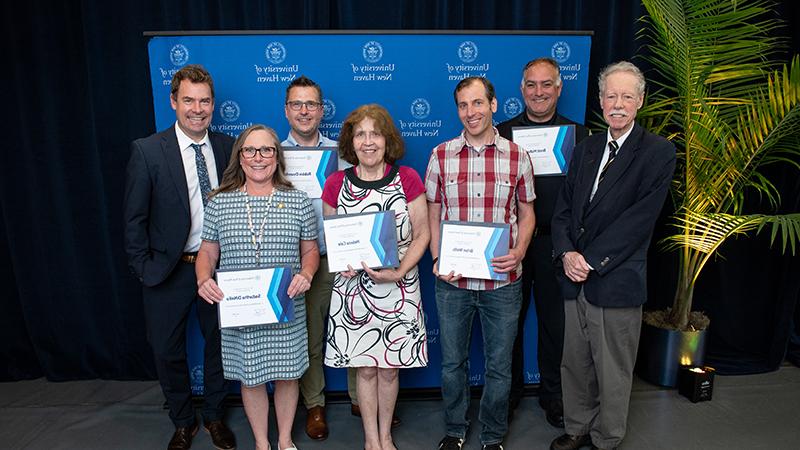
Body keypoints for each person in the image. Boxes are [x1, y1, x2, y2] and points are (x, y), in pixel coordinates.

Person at [549, 61, 675, 450]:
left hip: (615, 279)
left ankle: (607, 437)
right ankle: (577, 428)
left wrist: (590, 260)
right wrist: (567, 252)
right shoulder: (585, 147)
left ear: (639, 101)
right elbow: (564, 208)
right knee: (575, 362)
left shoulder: (657, 152)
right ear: (601, 101)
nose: (617, 104)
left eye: (626, 96)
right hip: (574, 279)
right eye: (610, 96)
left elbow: (639, 221)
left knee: (613, 368)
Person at [123, 64, 236, 450]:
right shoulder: (148, 151)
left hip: (219, 269)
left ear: (213, 104)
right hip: (168, 271)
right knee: (167, 351)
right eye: (188, 100)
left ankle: (216, 417)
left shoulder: (227, 147)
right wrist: (143, 268)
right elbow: (134, 219)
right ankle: (183, 420)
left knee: (220, 345)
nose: (197, 109)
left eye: (204, 101)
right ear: (174, 102)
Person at [425, 77, 536, 450]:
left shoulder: (518, 155)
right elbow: (433, 209)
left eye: (476, 103)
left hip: (503, 282)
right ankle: (455, 430)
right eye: (462, 105)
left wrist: (519, 251)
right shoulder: (441, 155)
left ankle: (492, 436)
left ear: (493, 105)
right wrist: (438, 257)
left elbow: (527, 211)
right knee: (453, 364)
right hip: (452, 283)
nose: (470, 112)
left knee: (499, 367)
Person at [195, 124, 320, 450]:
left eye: (267, 150)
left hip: (285, 304)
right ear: (240, 157)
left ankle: (284, 440)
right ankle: (263, 443)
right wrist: (203, 278)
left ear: (277, 158)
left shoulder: (299, 200)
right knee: (250, 378)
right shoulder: (219, 202)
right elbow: (207, 251)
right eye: (250, 150)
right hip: (241, 307)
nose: (258, 157)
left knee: (288, 375)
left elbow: (309, 251)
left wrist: (306, 274)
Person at [322, 104, 429, 450]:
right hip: (353, 291)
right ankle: (371, 440)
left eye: (376, 134)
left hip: (400, 287)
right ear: (351, 142)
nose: (369, 142)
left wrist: (399, 271)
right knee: (366, 370)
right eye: (361, 134)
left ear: (387, 139)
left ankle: (386, 436)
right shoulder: (336, 183)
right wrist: (344, 261)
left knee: (390, 370)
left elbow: (423, 233)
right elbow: (332, 237)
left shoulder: (407, 178)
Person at [280, 76, 379, 440]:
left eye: (311, 104)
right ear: (286, 110)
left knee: (356, 326)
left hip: (348, 257)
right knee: (309, 337)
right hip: (300, 261)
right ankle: (315, 405)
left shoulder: (346, 152)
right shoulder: (273, 154)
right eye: (297, 104)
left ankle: (359, 398)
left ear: (322, 110)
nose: (304, 111)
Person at [496, 57, 590, 427]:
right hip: (510, 246)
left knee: (557, 325)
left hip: (557, 244)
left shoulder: (581, 137)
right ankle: (509, 394)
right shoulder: (501, 134)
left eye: (546, 84)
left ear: (559, 88)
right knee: (508, 325)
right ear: (521, 89)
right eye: (531, 85)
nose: (539, 92)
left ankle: (554, 395)